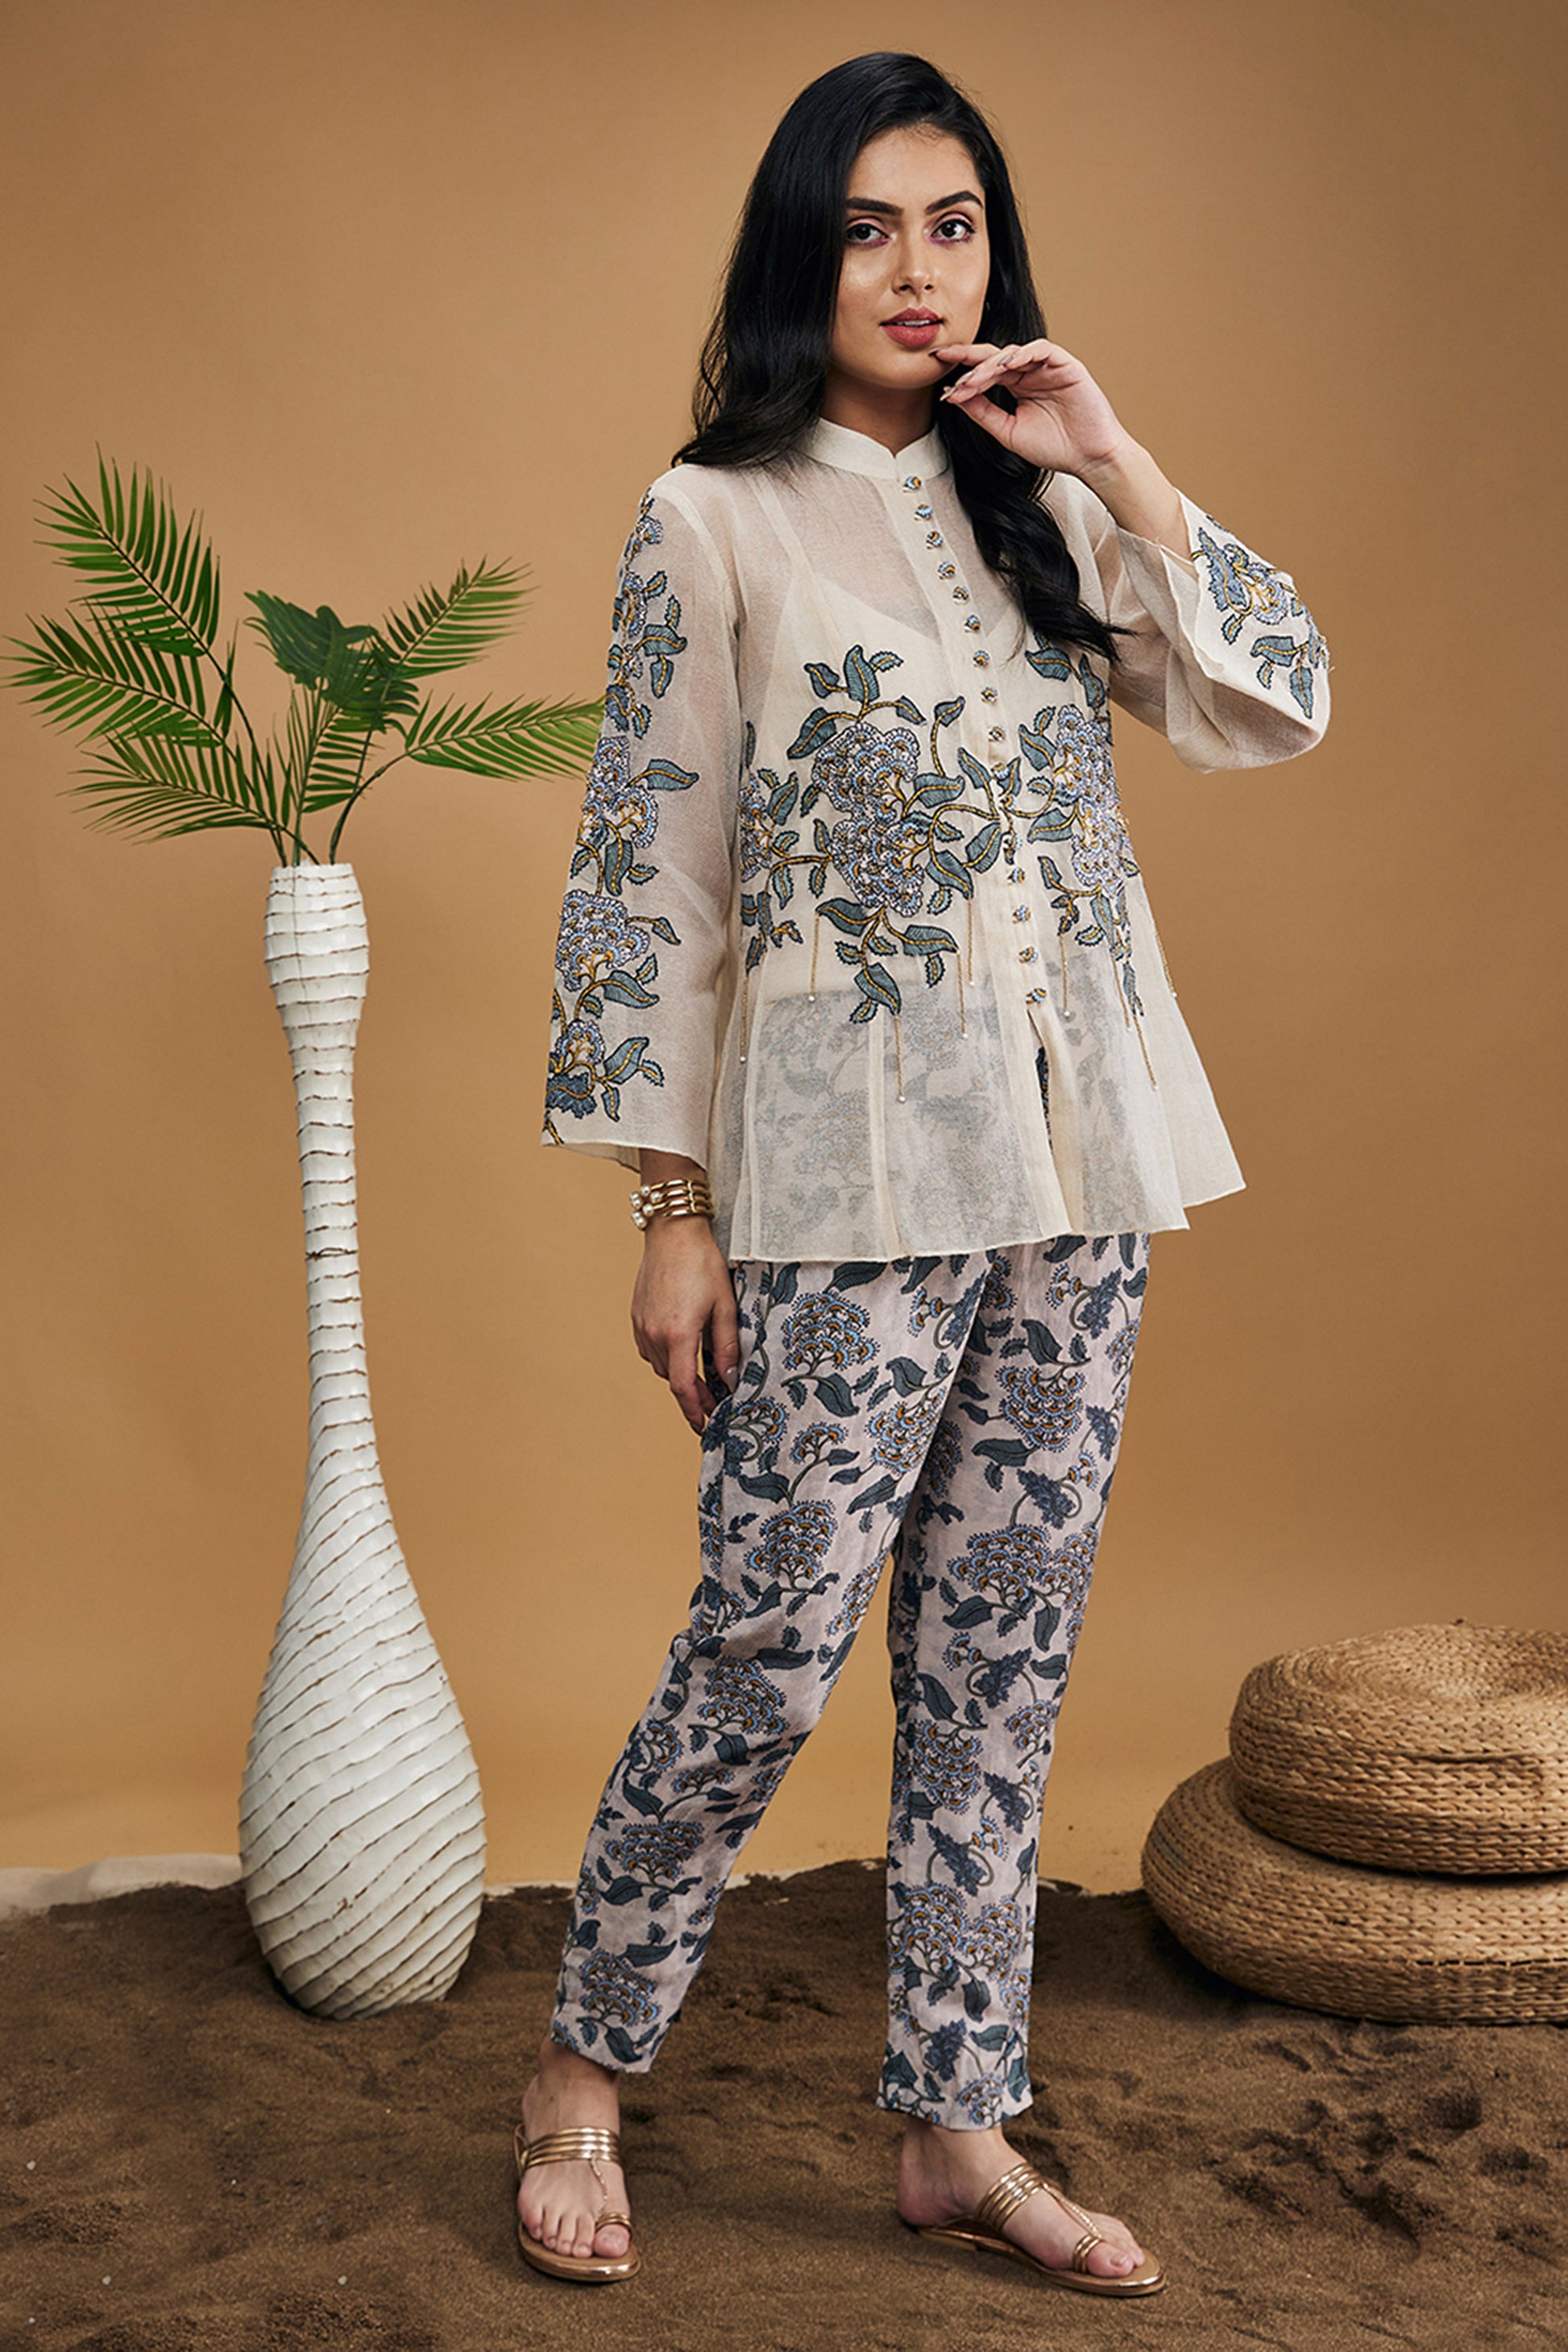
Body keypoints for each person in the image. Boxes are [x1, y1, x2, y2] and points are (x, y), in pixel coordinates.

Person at [521, 49, 1329, 2299]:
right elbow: (651, 885)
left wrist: (1113, 458)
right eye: (870, 227)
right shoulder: (711, 519)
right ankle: (581, 2068)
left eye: (953, 226)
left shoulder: (1038, 504)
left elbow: (1276, 701)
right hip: (842, 1181)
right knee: (769, 1639)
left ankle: (956, 2127)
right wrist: (668, 1208)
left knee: (1002, 1656)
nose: (916, 269)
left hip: (1079, 1163)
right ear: (804, 252)